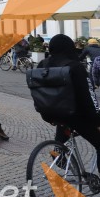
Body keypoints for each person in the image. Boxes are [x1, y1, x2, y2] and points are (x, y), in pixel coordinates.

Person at [40, 34, 100, 167]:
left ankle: (57, 150)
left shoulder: (43, 64)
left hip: (52, 113)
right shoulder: (75, 66)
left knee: (63, 121)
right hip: (76, 115)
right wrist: (96, 121)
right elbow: (87, 98)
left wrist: (47, 114)